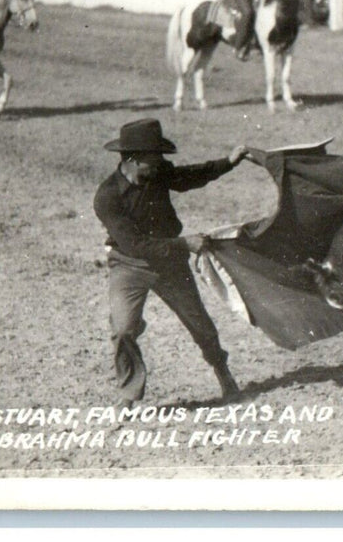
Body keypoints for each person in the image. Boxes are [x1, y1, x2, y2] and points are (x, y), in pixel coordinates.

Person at [93, 118, 249, 406]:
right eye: (154, 159)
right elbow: (136, 246)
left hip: (170, 266)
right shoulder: (107, 197)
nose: (161, 164)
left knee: (200, 324)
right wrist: (184, 243)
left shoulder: (158, 172)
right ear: (133, 159)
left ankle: (223, 373)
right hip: (129, 265)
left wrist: (228, 162)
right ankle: (128, 394)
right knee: (123, 329)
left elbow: (189, 176)